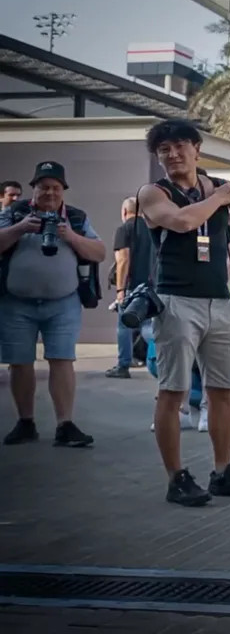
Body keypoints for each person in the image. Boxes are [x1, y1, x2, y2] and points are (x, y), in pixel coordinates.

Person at [138, 119, 230, 507]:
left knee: (222, 391)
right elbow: (182, 222)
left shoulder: (222, 189)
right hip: (175, 301)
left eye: (180, 146)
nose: (172, 154)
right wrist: (221, 196)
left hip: (221, 300)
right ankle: (176, 478)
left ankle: (223, 471)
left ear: (197, 149)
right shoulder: (153, 192)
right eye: (164, 149)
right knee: (172, 392)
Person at [0, 161, 104, 447]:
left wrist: (70, 236)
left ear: (63, 190)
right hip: (16, 302)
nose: (49, 193)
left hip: (63, 302)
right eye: (43, 187)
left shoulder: (75, 217)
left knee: (62, 360)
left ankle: (65, 424)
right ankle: (25, 422)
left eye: (55, 188)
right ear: (33, 189)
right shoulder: (14, 213)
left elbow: (99, 252)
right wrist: (21, 228)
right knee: (20, 362)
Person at [108, 196, 151, 379]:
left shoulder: (124, 229)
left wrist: (120, 290)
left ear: (124, 211)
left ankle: (123, 365)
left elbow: (123, 260)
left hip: (132, 287)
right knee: (148, 325)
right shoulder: (152, 229)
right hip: (152, 286)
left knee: (125, 326)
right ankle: (160, 357)